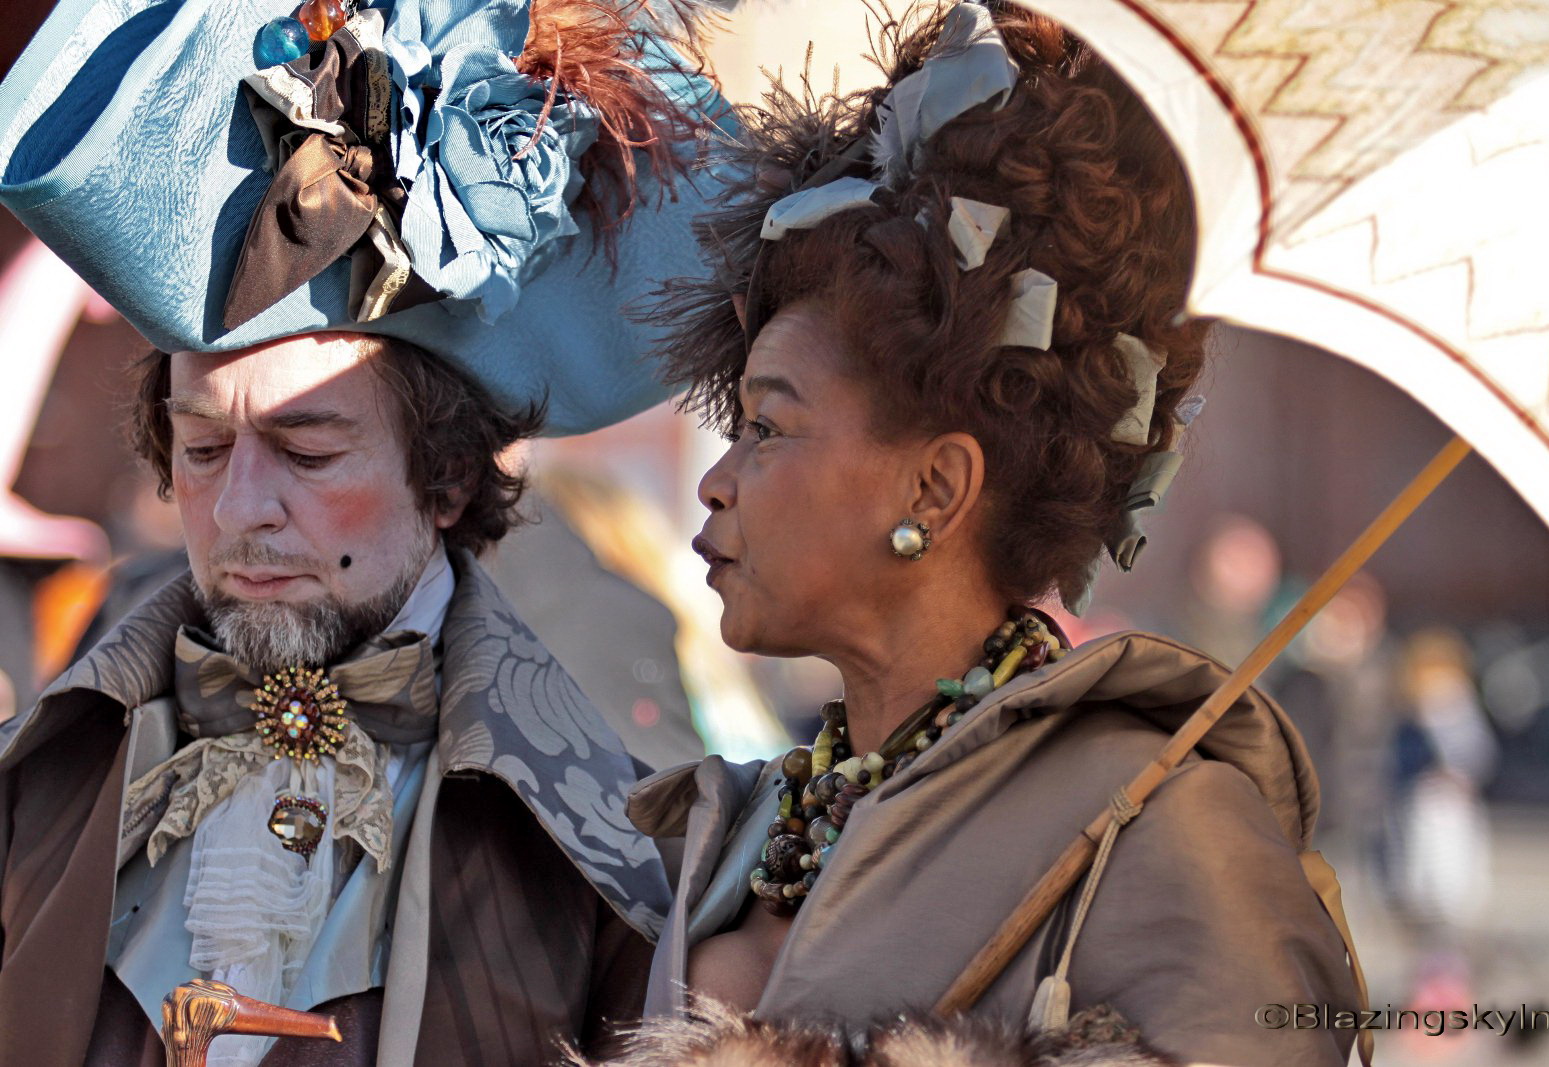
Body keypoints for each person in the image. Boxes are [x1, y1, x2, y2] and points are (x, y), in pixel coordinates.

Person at [620, 4, 1365, 1064]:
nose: (715, 481)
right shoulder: (753, 822)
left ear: (934, 489)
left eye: (767, 428)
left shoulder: (1159, 827)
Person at [0, 0, 725, 1061]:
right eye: (203, 447)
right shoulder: (33, 788)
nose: (240, 507)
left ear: (446, 474)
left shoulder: (613, 864)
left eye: (307, 452)